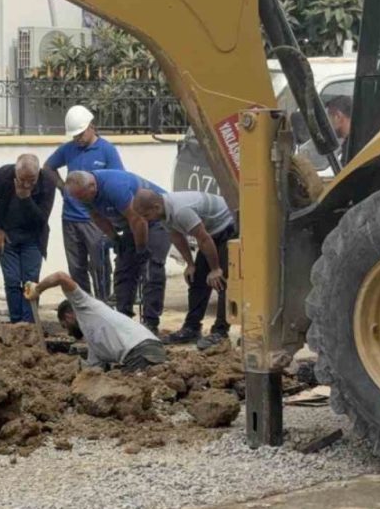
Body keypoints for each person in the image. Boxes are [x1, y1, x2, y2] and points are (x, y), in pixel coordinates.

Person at [65, 169, 170, 334]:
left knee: (151, 268)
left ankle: (150, 323)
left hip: (156, 220)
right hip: (133, 224)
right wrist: (115, 238)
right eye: (78, 198)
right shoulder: (83, 194)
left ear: (92, 186)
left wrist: (141, 248)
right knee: (123, 270)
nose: (81, 201)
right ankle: (123, 320)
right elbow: (97, 217)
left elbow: (138, 218)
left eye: (83, 197)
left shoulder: (115, 186)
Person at [133, 189, 236, 350]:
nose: (145, 220)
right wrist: (190, 264)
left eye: (146, 215)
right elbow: (176, 236)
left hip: (228, 226)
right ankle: (192, 328)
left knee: (222, 281)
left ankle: (220, 332)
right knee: (197, 279)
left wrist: (216, 269)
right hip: (210, 232)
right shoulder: (163, 212)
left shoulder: (181, 211)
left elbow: (203, 238)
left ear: (156, 207)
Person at [43, 105, 123, 300]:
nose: (77, 139)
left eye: (80, 134)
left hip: (96, 221)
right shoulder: (68, 149)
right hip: (70, 219)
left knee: (99, 266)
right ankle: (84, 305)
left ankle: (103, 304)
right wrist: (62, 187)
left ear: (91, 127)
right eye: (74, 136)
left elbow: (118, 180)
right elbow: (48, 167)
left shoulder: (107, 150)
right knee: (77, 268)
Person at [27, 271, 166, 372]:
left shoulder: (83, 305)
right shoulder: (94, 342)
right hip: (150, 350)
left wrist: (37, 289)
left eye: (65, 326)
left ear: (69, 316)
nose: (68, 332)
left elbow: (60, 277)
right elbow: (93, 371)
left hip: (139, 351)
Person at [0, 154, 56, 323]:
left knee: (31, 281)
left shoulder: (47, 181)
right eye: (22, 180)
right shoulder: (3, 175)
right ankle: (16, 322)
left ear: (38, 173)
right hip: (7, 235)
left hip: (34, 237)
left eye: (32, 180)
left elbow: (41, 219)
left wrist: (26, 198)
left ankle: (29, 323)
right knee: (12, 280)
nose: (27, 184)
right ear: (15, 171)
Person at [325, 94, 353, 164]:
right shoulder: (358, 140)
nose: (327, 125)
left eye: (329, 118)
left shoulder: (352, 147)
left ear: (338, 117)